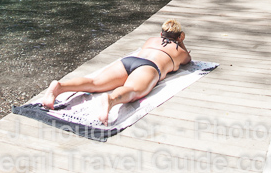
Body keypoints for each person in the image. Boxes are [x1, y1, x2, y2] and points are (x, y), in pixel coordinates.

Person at [42, 19, 192, 125]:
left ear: (161, 33)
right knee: (132, 90)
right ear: (180, 36)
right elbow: (188, 60)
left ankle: (60, 86)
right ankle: (111, 100)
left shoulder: (151, 40)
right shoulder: (180, 51)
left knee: (95, 82)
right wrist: (181, 42)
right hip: (149, 67)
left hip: (129, 61)